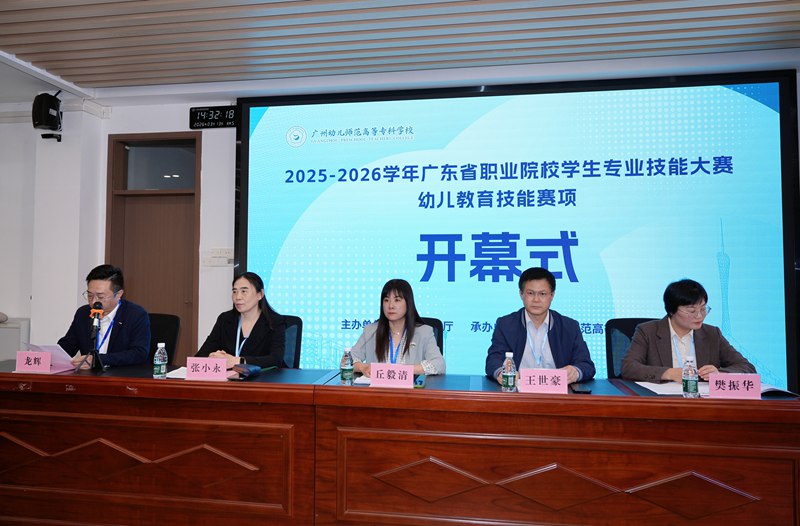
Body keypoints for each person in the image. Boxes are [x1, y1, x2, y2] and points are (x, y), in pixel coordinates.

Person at [621, 279, 755, 382]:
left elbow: (747, 367)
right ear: (671, 310)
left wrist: (719, 374)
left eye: (703, 309)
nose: (699, 316)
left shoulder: (712, 334)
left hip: (702, 402)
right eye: (692, 311)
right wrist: (669, 373)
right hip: (662, 401)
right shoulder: (647, 331)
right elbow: (628, 367)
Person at [485, 267, 595, 384]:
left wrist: (575, 372)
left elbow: (586, 365)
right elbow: (493, 360)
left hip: (557, 391)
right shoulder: (505, 324)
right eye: (530, 293)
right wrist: (501, 373)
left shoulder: (569, 327)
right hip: (518, 390)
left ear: (552, 295)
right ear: (521, 294)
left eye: (542, 294)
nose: (536, 300)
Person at [59, 264, 150, 368]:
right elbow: (68, 346)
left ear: (118, 294)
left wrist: (99, 360)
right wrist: (49, 355)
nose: (94, 301)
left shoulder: (135, 314)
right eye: (90, 295)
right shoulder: (83, 313)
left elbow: (139, 353)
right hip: (89, 376)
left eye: (100, 296)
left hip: (122, 375)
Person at [351, 278, 445, 376]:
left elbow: (439, 364)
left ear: (408, 303)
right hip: (377, 386)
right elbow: (348, 360)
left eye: (397, 300)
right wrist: (363, 367)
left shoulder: (424, 332)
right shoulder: (371, 331)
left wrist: (402, 370)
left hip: (411, 386)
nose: (391, 306)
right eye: (386, 300)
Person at [197, 272, 286, 369]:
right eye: (234, 291)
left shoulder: (274, 321)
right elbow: (201, 355)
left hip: (262, 377)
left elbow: (276, 359)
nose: (238, 297)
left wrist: (238, 361)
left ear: (260, 294)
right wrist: (213, 357)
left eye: (244, 291)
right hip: (230, 377)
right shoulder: (225, 319)